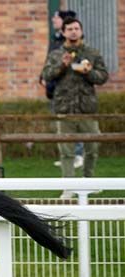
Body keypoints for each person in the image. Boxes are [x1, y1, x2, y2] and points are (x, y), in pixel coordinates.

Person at [41, 18, 108, 198]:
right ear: (63, 32)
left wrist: (89, 72)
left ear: (81, 31)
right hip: (64, 109)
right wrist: (62, 65)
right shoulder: (56, 54)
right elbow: (46, 75)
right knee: (66, 151)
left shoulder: (92, 53)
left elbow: (103, 77)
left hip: (87, 109)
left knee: (92, 148)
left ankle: (88, 182)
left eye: (76, 28)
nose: (73, 32)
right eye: (69, 29)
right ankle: (68, 186)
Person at [40, 9, 84, 170]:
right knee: (62, 125)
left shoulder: (74, 45)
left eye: (56, 18)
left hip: (75, 94)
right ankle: (68, 158)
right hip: (57, 91)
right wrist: (43, 78)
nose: (53, 20)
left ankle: (78, 155)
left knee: (77, 123)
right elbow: (49, 62)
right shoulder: (56, 40)